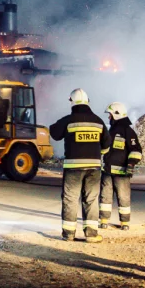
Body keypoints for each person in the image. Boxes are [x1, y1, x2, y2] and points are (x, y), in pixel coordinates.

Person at [49, 88, 110, 242]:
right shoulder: (98, 121)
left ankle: (68, 235)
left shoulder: (68, 120)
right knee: (91, 199)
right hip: (94, 168)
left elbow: (54, 133)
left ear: (72, 102)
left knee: (70, 199)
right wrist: (97, 153)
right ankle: (91, 235)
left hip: (73, 168)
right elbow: (107, 144)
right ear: (88, 102)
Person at [99, 102, 142, 230]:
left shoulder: (128, 132)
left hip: (122, 173)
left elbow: (136, 150)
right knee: (105, 197)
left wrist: (131, 164)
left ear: (116, 115)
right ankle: (104, 220)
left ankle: (124, 223)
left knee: (123, 197)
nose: (109, 118)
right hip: (107, 171)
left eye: (110, 115)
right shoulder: (110, 131)